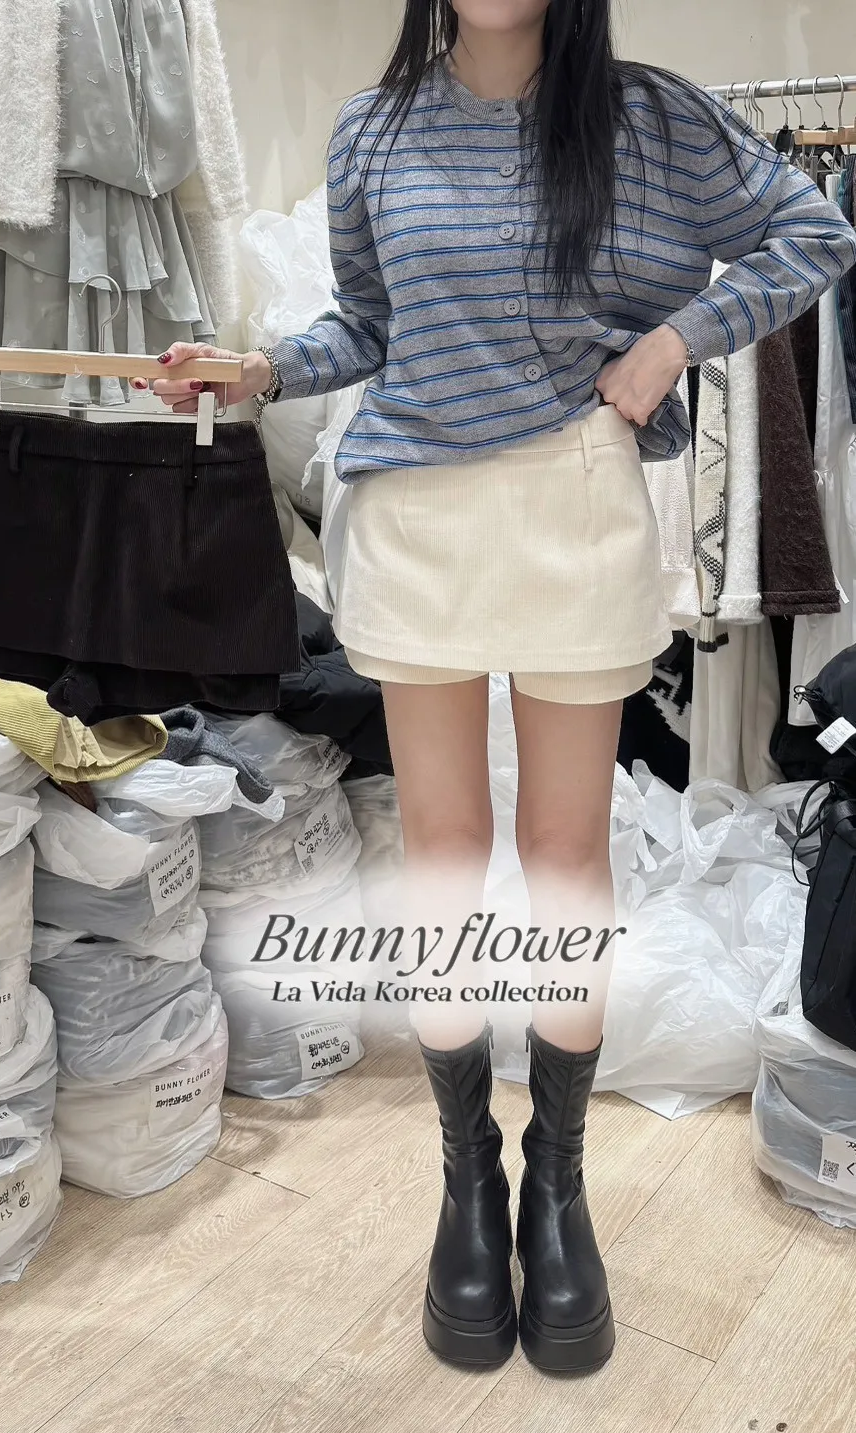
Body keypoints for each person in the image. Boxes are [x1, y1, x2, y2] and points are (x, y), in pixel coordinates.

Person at [146, 0, 856, 1378]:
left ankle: (559, 1185)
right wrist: (265, 369)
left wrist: (672, 343)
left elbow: (813, 234)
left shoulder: (650, 116)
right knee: (445, 857)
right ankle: (467, 1177)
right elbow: (367, 324)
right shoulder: (375, 127)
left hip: (575, 505)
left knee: (568, 858)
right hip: (415, 521)